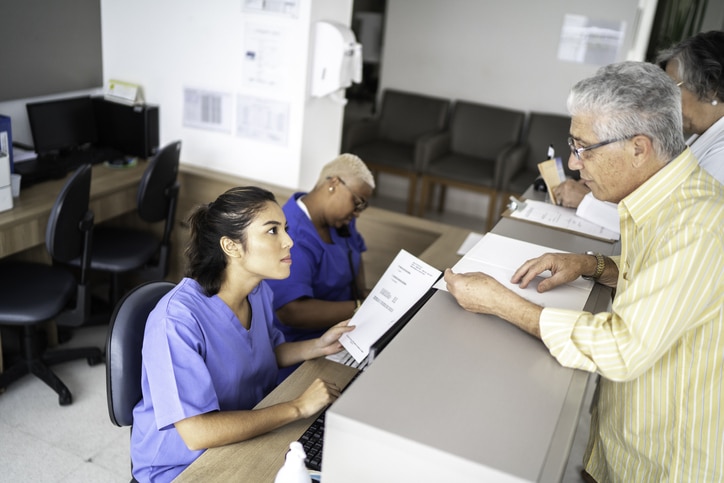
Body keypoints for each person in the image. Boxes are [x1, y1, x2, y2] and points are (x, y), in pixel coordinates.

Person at [444, 62, 724, 481]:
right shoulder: (675, 200)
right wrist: (592, 264)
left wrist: (505, 304)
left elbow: (622, 348)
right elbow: (664, 274)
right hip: (624, 443)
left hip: (665, 462)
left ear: (638, 147)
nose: (574, 165)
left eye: (583, 147)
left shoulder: (699, 224)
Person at [130, 186, 355, 483]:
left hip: (244, 435)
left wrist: (316, 346)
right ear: (231, 246)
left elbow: (263, 352)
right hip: (181, 468)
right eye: (272, 231)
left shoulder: (258, 291)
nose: (289, 241)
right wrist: (297, 406)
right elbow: (198, 432)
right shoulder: (176, 320)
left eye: (285, 228)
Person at [554, 30, 724, 209]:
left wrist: (586, 201)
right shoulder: (701, 133)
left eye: (673, 89)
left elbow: (675, 212)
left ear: (711, 88)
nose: (663, 101)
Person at [267, 153, 375, 345]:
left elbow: (355, 251)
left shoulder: (341, 220)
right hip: (306, 342)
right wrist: (361, 307)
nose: (357, 213)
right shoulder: (290, 233)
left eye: (363, 207)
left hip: (349, 326)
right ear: (334, 183)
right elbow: (291, 311)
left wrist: (362, 293)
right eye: (357, 203)